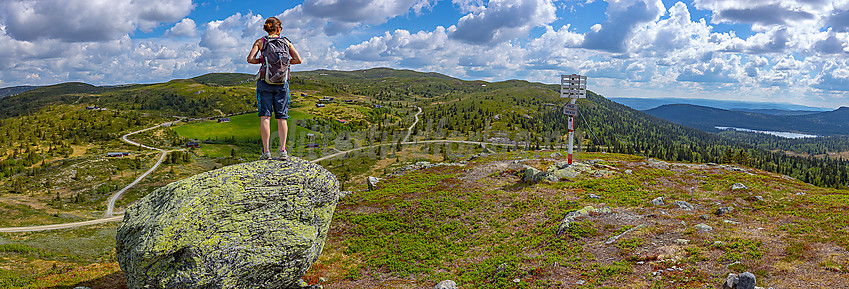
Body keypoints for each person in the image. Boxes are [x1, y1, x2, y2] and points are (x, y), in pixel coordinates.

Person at [247, 16, 302, 160]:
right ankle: (283, 151)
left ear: (266, 28)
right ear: (278, 29)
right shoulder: (286, 42)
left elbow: (250, 59)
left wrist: (262, 60)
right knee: (282, 118)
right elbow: (298, 59)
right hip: (283, 84)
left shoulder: (261, 42)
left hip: (265, 83)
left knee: (265, 117)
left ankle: (266, 152)